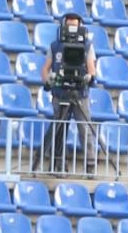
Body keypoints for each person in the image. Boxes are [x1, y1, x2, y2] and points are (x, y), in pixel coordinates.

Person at [37, 9, 98, 174]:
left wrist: (89, 77)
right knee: (59, 129)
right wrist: (48, 78)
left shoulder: (87, 46)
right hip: (60, 93)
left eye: (75, 27)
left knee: (85, 129)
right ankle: (58, 164)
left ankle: (91, 165)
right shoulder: (55, 46)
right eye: (69, 26)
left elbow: (92, 68)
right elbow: (45, 68)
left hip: (80, 94)